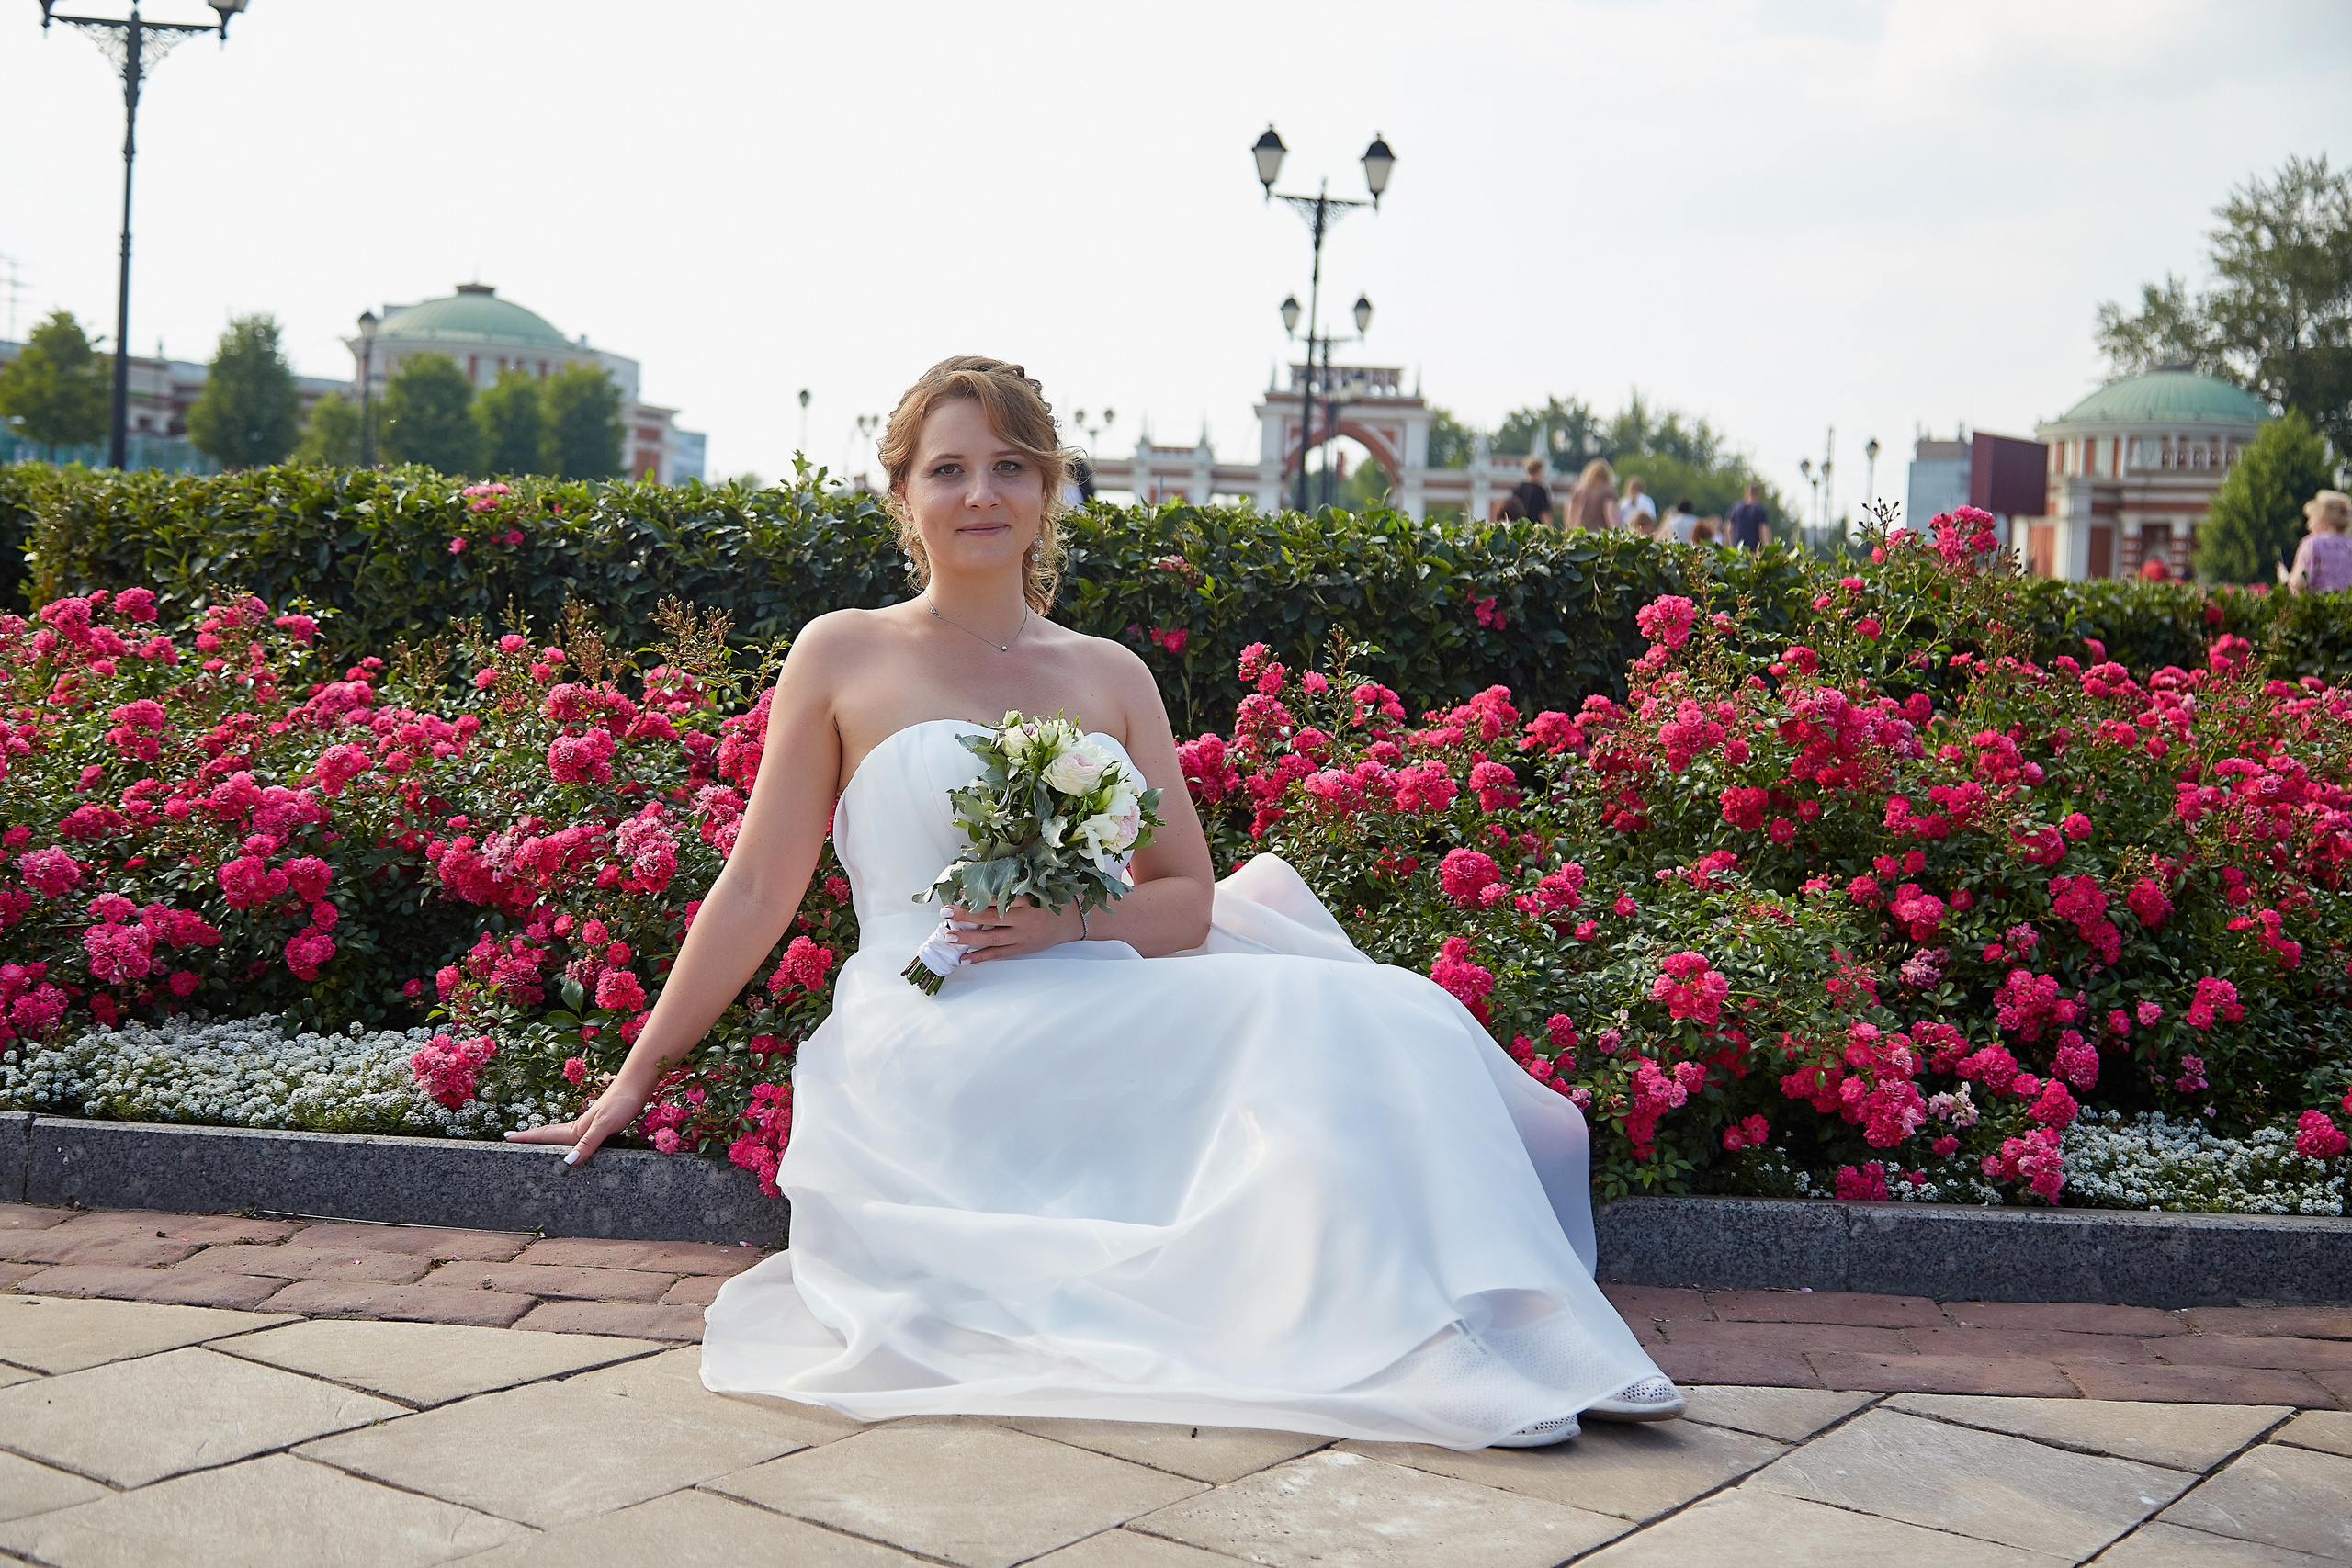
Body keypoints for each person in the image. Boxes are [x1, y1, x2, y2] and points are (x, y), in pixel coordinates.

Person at [510, 355, 1679, 1450]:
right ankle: (1426, 1351)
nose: (982, 493)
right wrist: (635, 1076)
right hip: (934, 1026)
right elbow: (760, 885)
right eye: (949, 469)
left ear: (1048, 489)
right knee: (1329, 1023)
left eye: (1010, 466)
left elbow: (1185, 899)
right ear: (904, 496)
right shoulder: (844, 655)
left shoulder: (1107, 673)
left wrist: (1068, 923)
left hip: (1100, 987)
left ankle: (1508, 1333)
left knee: (1392, 1015)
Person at [2282, 490, 2352, 593]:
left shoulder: (2313, 544)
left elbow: (2299, 583)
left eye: (2311, 518)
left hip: (2320, 607)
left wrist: (2285, 578)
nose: (2308, 525)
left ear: (2322, 520)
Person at [1564, 459, 1619, 531]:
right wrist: (1616, 532)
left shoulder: (1579, 490)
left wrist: (1568, 529)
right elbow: (1610, 511)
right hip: (1600, 532)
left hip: (1580, 531)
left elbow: (1570, 510)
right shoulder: (1608, 491)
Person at [1726, 483, 1772, 552]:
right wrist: (1767, 550)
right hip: (1753, 551)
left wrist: (1731, 545)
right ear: (1758, 494)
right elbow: (1763, 531)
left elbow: (1729, 528)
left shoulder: (1736, 508)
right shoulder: (1760, 510)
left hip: (1737, 549)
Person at [1510, 455, 1554, 525]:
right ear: (1538, 471)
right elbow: (1544, 513)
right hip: (1535, 528)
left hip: (1519, 526)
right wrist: (1549, 529)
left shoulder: (1518, 489)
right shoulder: (1540, 490)